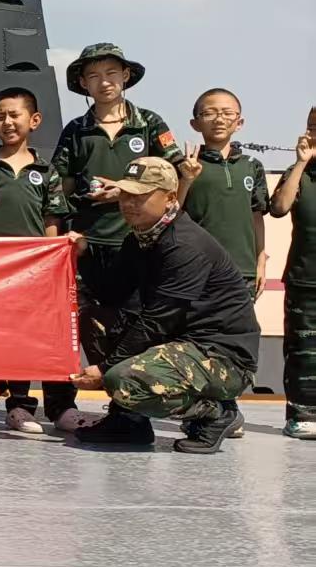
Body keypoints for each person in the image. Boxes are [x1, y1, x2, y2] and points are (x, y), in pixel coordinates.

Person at [70, 157, 259, 452]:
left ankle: (215, 414)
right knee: (96, 319)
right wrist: (85, 254)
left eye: (140, 196)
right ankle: (129, 421)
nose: (129, 203)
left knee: (123, 379)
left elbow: (160, 319)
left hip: (221, 355)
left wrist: (105, 369)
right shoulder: (140, 239)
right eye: (126, 194)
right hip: (177, 340)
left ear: (170, 198)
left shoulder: (184, 245)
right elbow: (112, 293)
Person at [49, 42, 186, 433]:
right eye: (94, 75)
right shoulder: (76, 131)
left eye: (111, 73)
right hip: (87, 245)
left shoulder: (150, 124)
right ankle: (60, 406)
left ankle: (129, 408)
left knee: (134, 328)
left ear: (125, 76)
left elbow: (173, 175)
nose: (104, 82)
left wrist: (126, 193)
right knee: (71, 326)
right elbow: (60, 186)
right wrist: (70, 220)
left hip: (136, 243)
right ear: (83, 83)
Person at [0, 87, 71, 432]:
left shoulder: (45, 170)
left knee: (23, 337)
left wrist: (51, 263)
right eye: (0, 116)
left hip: (30, 268)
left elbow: (52, 219)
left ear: (34, 120)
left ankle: (20, 406)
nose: (7, 122)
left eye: (14, 115)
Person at [179, 87, 269, 437]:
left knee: (233, 343)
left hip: (242, 270)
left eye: (227, 112)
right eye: (210, 112)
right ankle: (203, 408)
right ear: (195, 122)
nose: (219, 118)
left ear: (240, 121)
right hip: (199, 271)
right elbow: (173, 209)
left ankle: (228, 409)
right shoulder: (187, 163)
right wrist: (186, 179)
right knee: (198, 340)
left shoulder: (252, 166)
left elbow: (257, 215)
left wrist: (260, 259)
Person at [270, 107, 316, 439]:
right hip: (305, 277)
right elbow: (279, 208)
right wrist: (300, 163)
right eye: (313, 126)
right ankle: (301, 414)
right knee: (303, 352)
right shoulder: (299, 172)